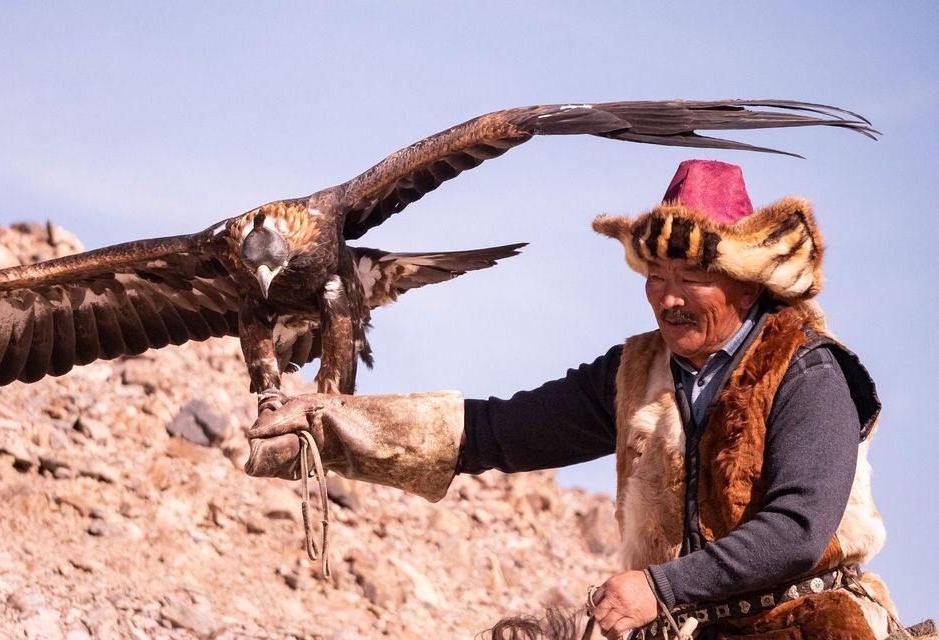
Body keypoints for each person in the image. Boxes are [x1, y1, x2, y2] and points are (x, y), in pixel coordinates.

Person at [244, 160, 900, 639]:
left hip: (811, 628)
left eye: (691, 278)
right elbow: (493, 432)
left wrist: (657, 586)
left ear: (745, 284)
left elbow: (795, 532)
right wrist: (331, 425)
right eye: (656, 277)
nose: (667, 298)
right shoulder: (634, 372)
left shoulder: (808, 370)